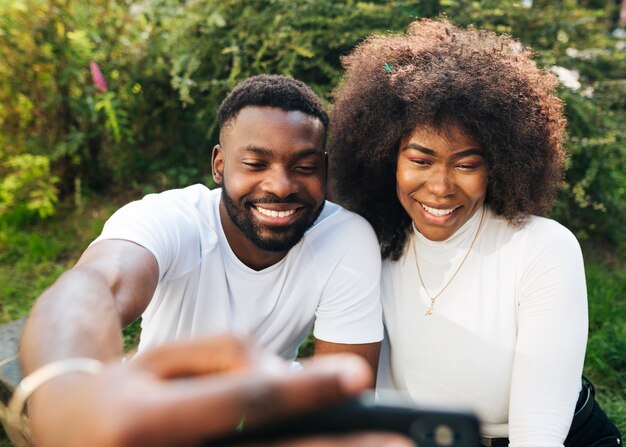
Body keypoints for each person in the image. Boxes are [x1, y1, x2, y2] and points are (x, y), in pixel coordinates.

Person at [16, 74, 387, 446]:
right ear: (220, 165)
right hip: (147, 413)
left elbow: (339, 398)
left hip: (265, 415)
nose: (281, 185)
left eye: (304, 167)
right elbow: (93, 286)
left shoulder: (345, 238)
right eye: (256, 164)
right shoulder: (171, 218)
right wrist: (65, 389)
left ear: (324, 168)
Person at [329, 19, 620, 446]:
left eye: (466, 165)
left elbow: (537, 436)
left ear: (498, 165)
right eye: (421, 160)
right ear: (385, 156)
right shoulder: (372, 244)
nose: (442, 186)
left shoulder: (543, 249)